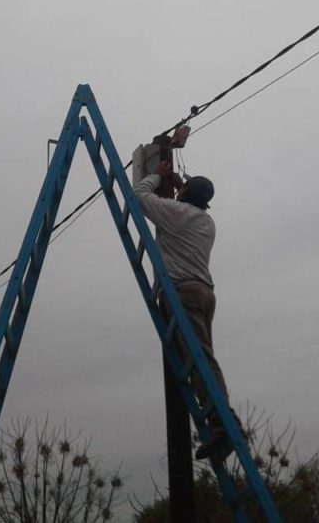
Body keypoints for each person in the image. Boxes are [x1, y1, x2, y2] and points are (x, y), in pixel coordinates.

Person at [133, 161, 236, 460]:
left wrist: (158, 175)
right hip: (204, 293)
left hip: (183, 293)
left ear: (186, 195)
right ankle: (221, 420)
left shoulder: (176, 213)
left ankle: (224, 424)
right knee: (200, 357)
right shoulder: (205, 222)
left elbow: (138, 195)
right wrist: (181, 187)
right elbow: (189, 204)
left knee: (200, 358)